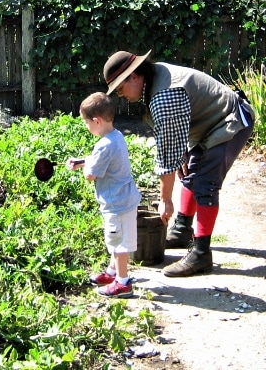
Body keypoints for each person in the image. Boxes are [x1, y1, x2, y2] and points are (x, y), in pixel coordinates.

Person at [103, 50, 253, 277]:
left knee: (205, 184)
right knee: (191, 172)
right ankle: (183, 230)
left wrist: (165, 200)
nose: (120, 95)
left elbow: (166, 157)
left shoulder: (165, 94)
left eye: (120, 88)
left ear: (133, 76)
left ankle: (201, 254)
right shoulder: (155, 77)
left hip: (231, 120)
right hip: (209, 125)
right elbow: (173, 136)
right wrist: (180, 152)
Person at [67, 92, 142, 298]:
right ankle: (112, 272)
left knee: (118, 243)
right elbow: (101, 161)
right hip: (125, 199)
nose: (86, 126)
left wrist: (84, 168)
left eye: (86, 123)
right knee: (118, 238)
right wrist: (83, 160)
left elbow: (90, 175)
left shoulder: (103, 145)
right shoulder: (116, 136)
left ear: (97, 121)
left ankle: (123, 282)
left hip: (116, 203)